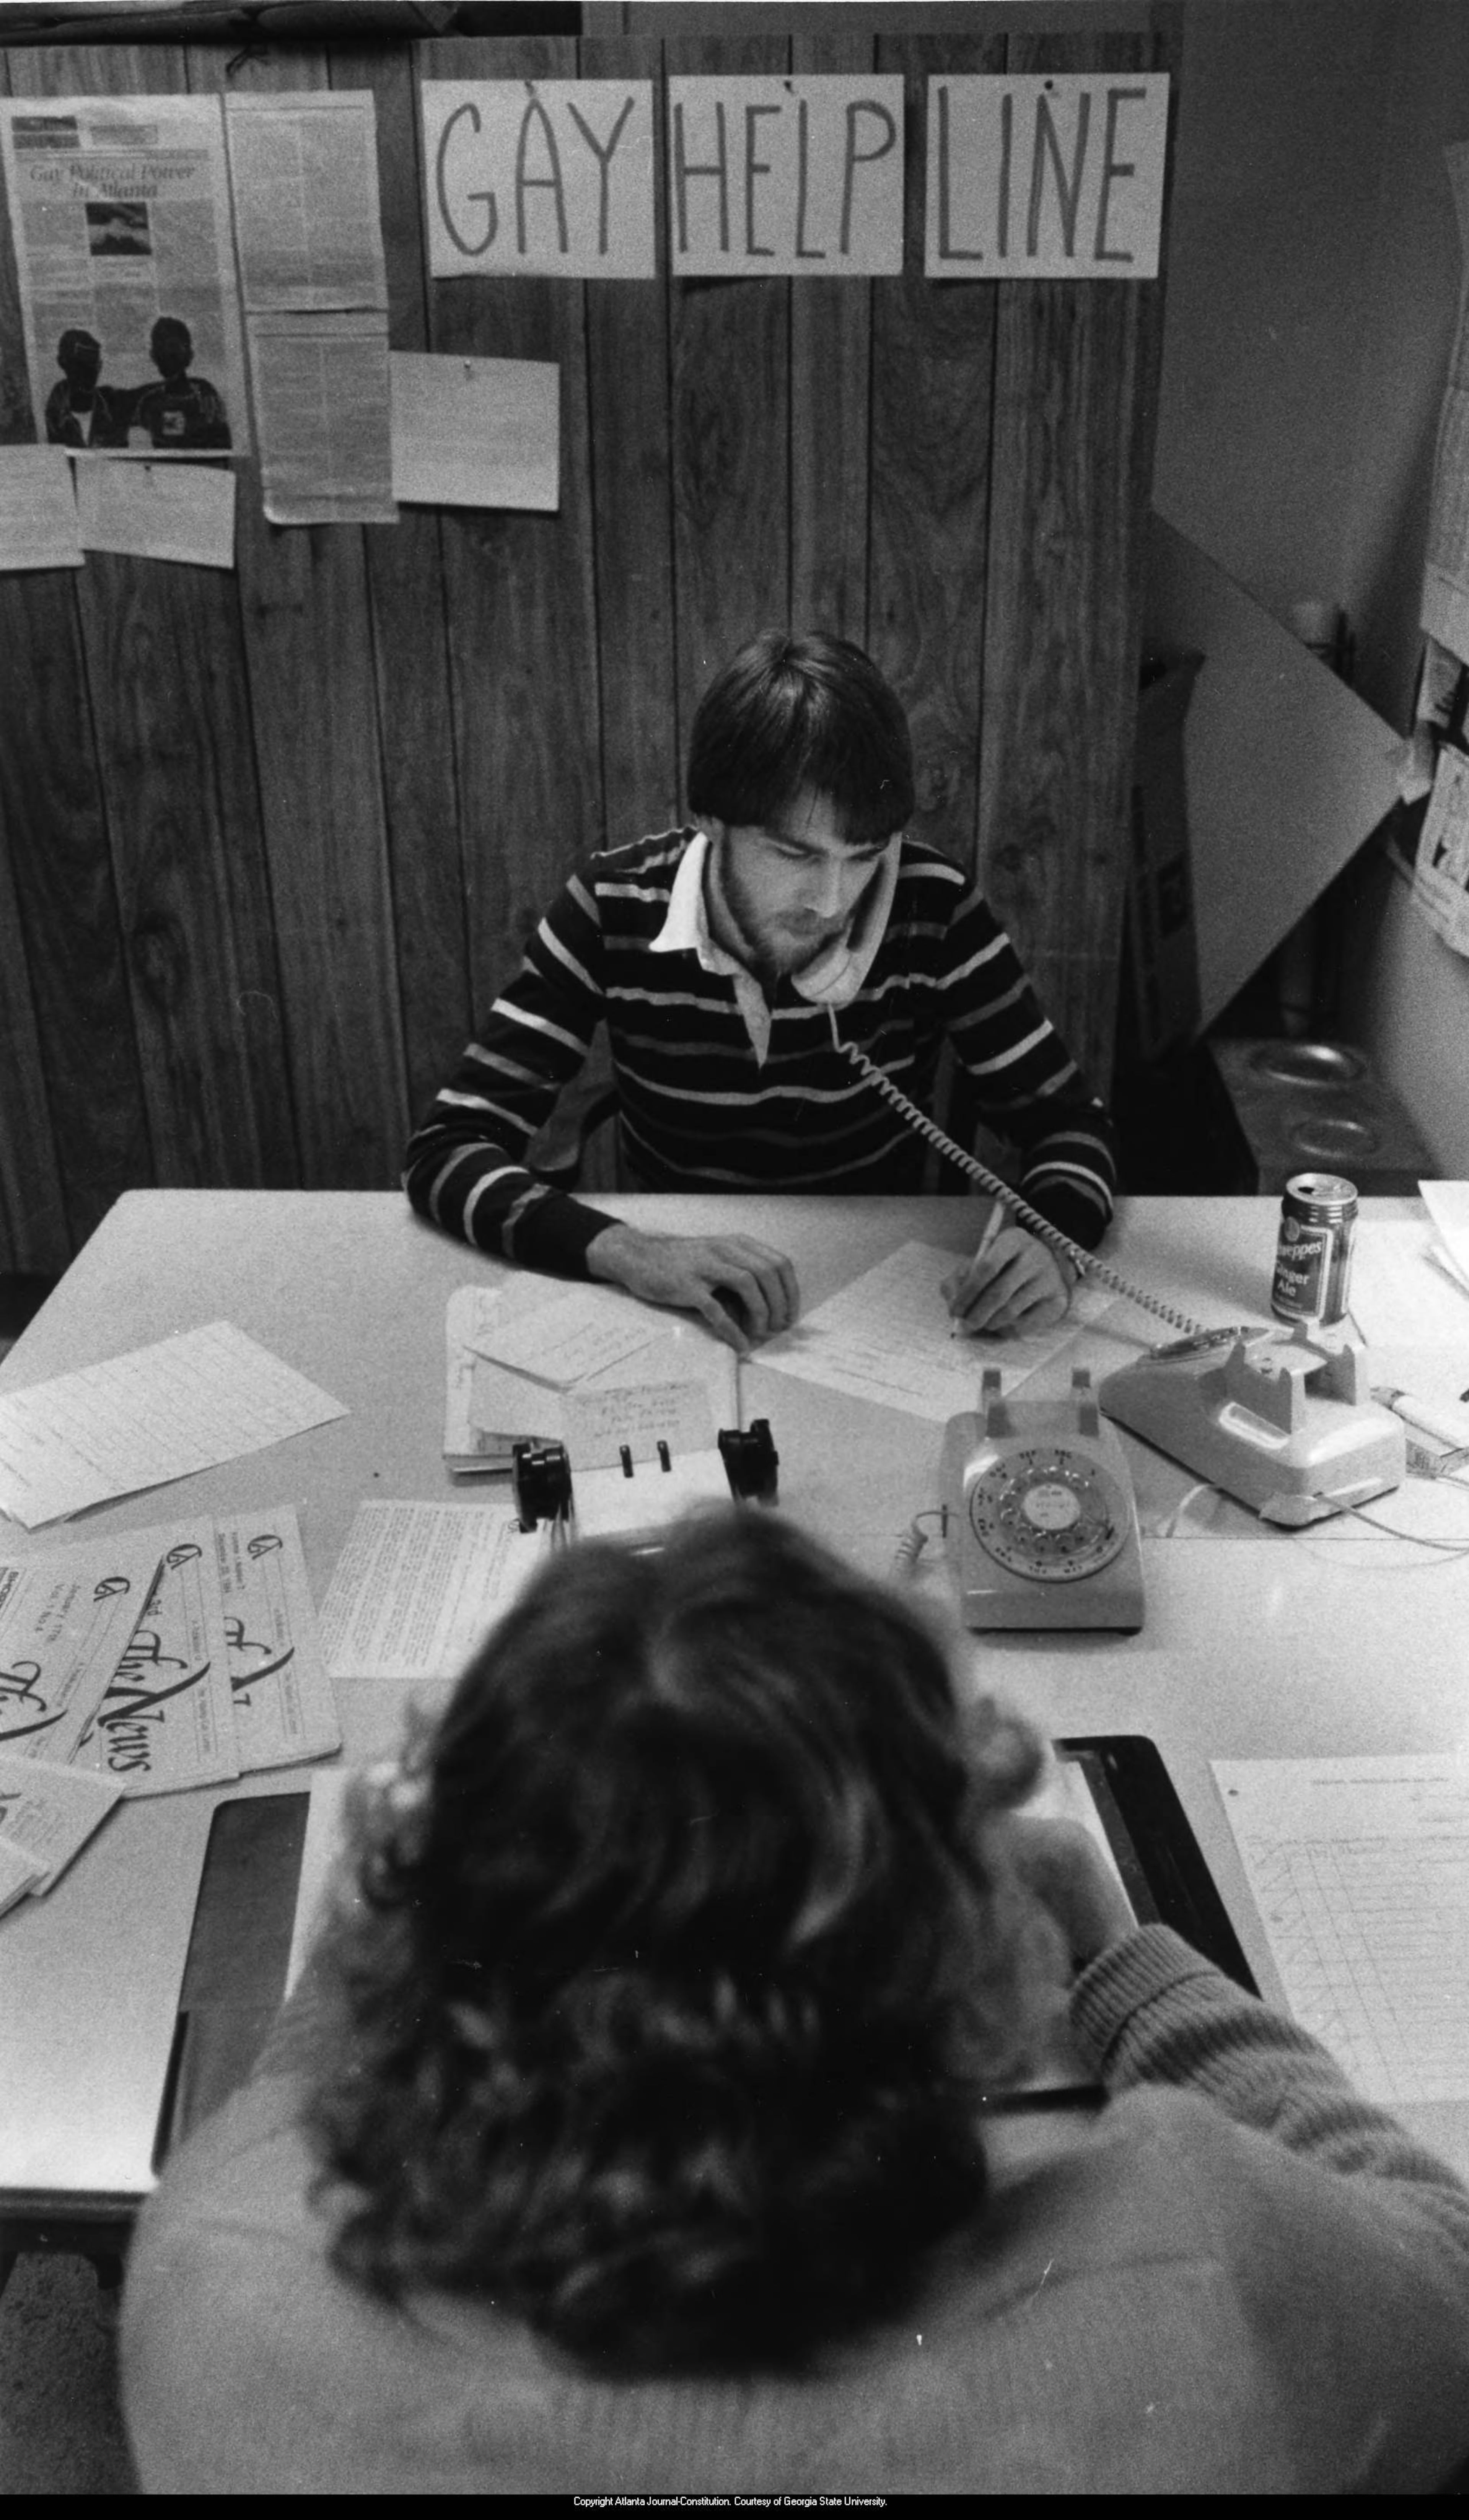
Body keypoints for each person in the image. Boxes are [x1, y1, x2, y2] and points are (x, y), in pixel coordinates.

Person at [122, 1508, 1469, 2495]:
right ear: (968, 1964)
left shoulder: (224, 2273)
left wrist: (429, 1906)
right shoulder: (1202, 2270)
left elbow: (297, 2101)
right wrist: (1126, 1959)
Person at [404, 630, 1120, 1354]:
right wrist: (629, 1251)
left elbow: (1071, 1126)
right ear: (710, 822)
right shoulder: (611, 904)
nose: (833, 900)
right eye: (795, 854)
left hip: (881, 1304)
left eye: (864, 856)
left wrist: (1050, 1243)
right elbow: (447, 1147)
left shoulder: (933, 906)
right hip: (686, 1292)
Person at [130, 315, 231, 451]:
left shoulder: (207, 400)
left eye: (174, 348)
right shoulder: (149, 404)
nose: (168, 354)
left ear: (190, 355)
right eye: (161, 348)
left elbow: (224, 444)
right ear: (153, 355)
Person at [43, 327, 131, 448]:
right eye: (81, 365)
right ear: (63, 363)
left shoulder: (113, 407)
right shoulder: (52, 414)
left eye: (95, 365)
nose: (90, 373)